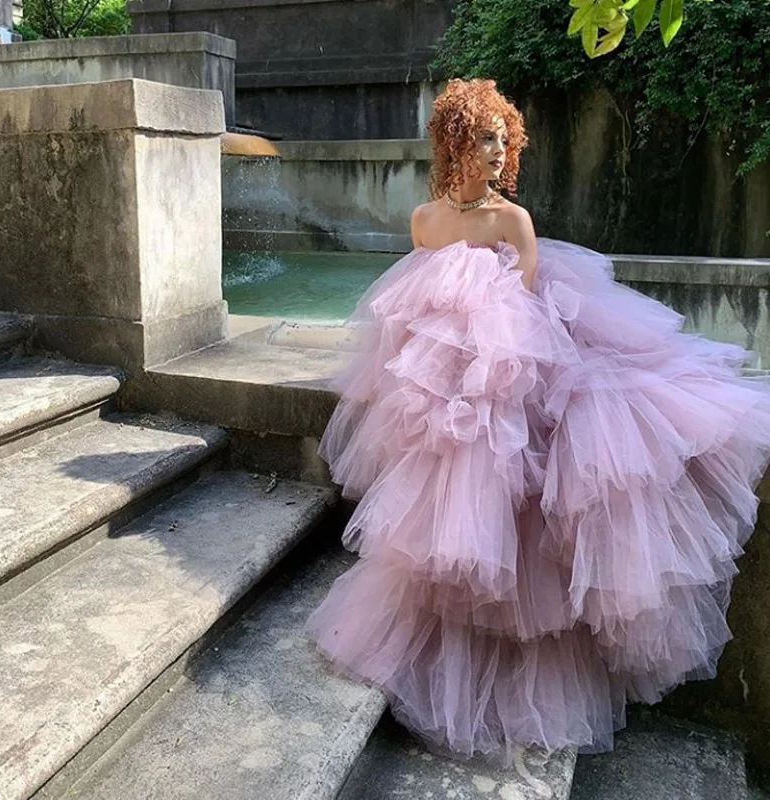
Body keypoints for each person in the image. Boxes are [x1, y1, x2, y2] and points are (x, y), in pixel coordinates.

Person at [304, 78, 770, 763]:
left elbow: (525, 323)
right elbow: (415, 320)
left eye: (503, 139)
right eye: (484, 138)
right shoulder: (425, 221)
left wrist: (487, 377)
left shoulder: (511, 223)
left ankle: (522, 680)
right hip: (447, 401)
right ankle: (448, 663)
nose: (497, 151)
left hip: (512, 386)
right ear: (455, 142)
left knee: (521, 523)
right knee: (444, 532)